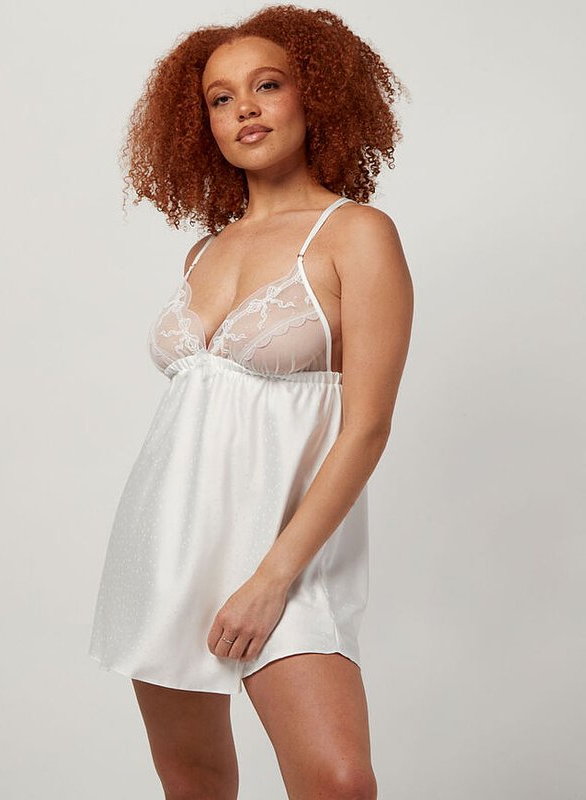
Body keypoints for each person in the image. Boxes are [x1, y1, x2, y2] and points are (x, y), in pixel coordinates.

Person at [88, 5, 413, 798]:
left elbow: (368, 427)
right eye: (221, 98)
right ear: (201, 124)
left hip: (287, 555)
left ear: (315, 96)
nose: (245, 109)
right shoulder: (204, 250)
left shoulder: (356, 234)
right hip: (168, 544)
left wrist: (273, 578)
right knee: (196, 784)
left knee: (338, 781)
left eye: (268, 85)